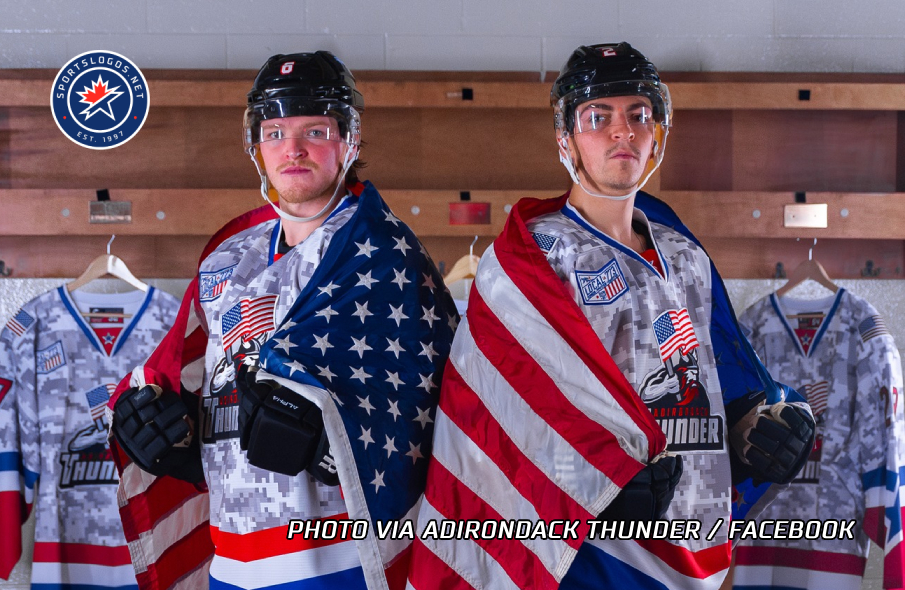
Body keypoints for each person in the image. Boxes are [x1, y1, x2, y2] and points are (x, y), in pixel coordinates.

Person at [407, 42, 815, 590]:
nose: (622, 132)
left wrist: (758, 433)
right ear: (567, 137)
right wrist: (592, 477)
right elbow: (499, 417)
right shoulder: (533, 257)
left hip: (694, 546)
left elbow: (721, 383)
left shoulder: (687, 255)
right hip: (589, 554)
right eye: (598, 117)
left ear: (657, 133)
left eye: (637, 115)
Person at [110, 51, 457, 590]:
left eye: (314, 130)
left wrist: (333, 442)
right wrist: (160, 422)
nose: (292, 149)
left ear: (350, 140)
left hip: (337, 560)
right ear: (256, 144)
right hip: (230, 557)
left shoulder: (387, 257)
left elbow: (436, 412)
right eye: (275, 131)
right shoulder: (228, 256)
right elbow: (194, 377)